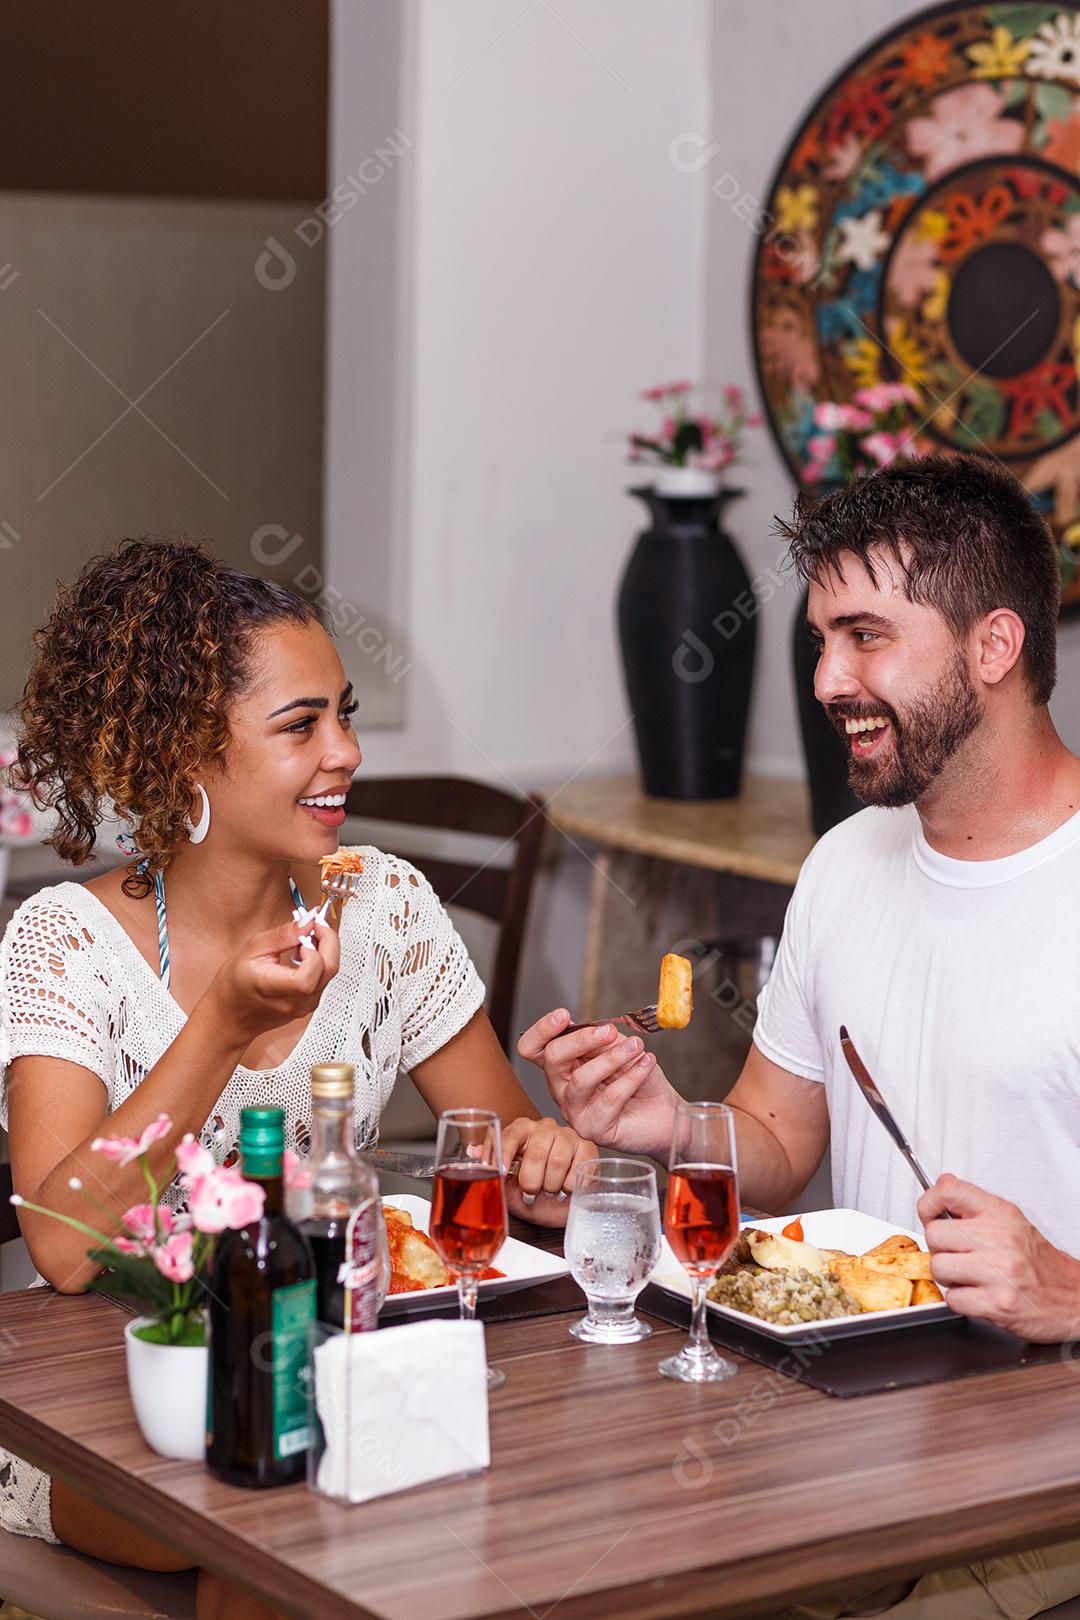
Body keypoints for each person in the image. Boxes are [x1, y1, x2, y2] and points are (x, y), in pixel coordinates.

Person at [520, 454, 1080, 1618]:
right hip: (846, 1434)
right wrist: (672, 1125)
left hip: (1036, 1481)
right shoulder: (844, 864)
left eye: (866, 637)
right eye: (822, 639)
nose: (828, 680)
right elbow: (775, 1142)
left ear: (994, 646)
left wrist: (1065, 1293)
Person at [0, 539, 594, 1620]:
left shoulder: (386, 905)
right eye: (301, 725)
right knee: (273, 1516)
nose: (347, 753)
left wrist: (547, 1156)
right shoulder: (64, 940)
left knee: (419, 1478)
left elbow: (501, 1155)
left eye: (347, 716)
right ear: (189, 751)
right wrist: (222, 1027)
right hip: (111, 1391)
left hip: (320, 1366)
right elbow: (63, 1247)